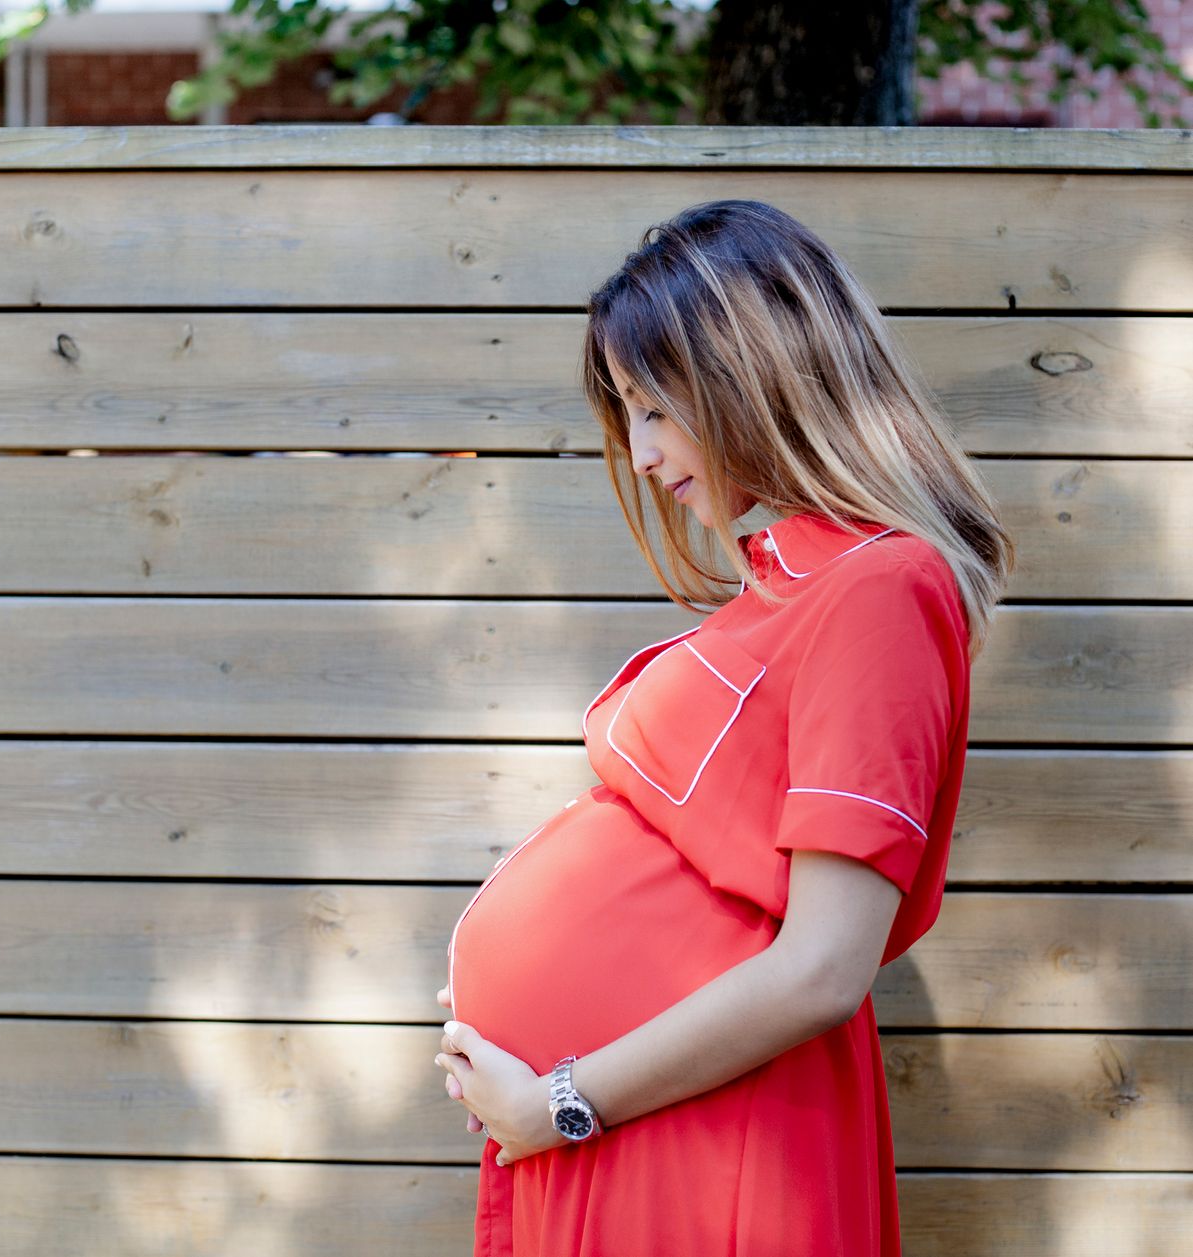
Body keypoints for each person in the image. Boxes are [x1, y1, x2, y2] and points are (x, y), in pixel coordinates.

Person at [433, 198, 1014, 1256]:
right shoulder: (791, 585)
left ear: (752, 377)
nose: (644, 454)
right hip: (643, 1125)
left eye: (656, 409)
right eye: (630, 416)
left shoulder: (880, 586)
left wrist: (561, 1098)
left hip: (704, 1145)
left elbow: (824, 968)